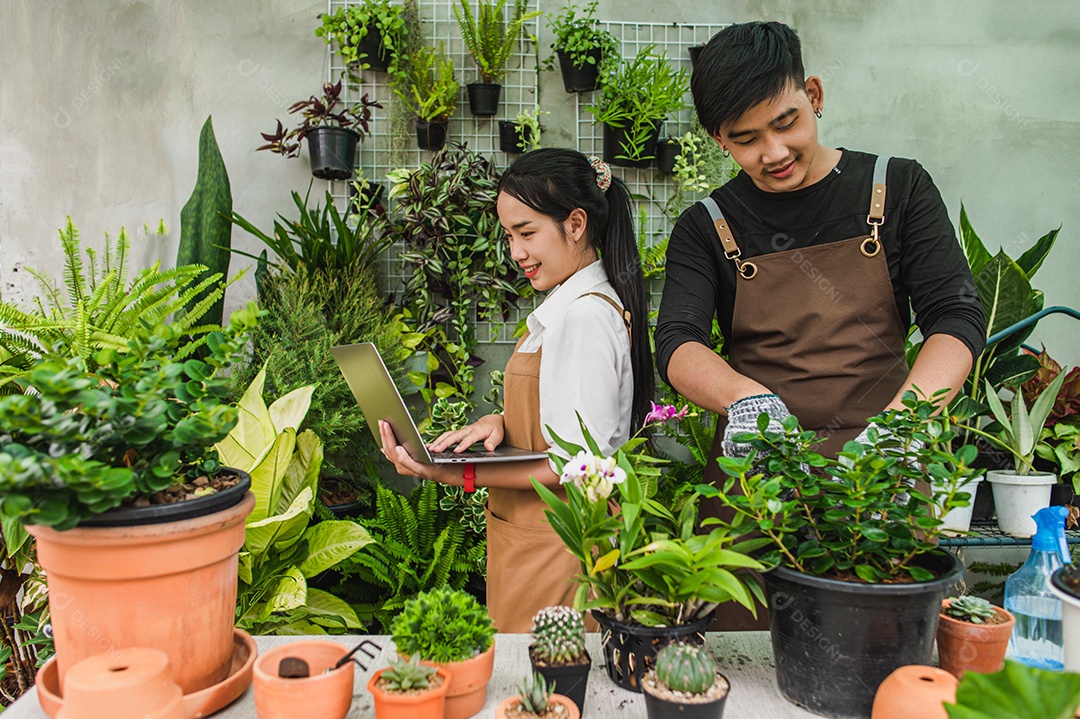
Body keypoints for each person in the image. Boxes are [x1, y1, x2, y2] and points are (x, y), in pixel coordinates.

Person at [654, 22, 986, 625]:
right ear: (718, 139)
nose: (774, 153)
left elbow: (955, 315)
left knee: (879, 648)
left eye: (787, 122)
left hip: (880, 485)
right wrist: (746, 402)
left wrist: (900, 431)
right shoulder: (707, 225)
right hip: (757, 489)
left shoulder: (898, 187)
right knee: (745, 657)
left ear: (814, 94)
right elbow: (678, 342)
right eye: (746, 139)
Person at [380, 148, 654, 632]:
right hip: (533, 536)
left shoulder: (584, 316)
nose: (516, 252)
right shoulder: (565, 308)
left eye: (526, 233)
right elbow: (566, 418)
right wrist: (500, 422)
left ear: (575, 224)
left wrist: (454, 473)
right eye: (509, 235)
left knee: (546, 674)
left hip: (560, 549)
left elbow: (575, 463)